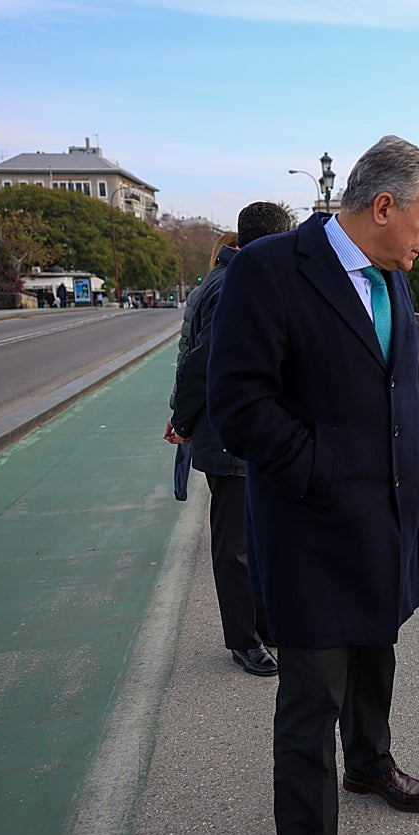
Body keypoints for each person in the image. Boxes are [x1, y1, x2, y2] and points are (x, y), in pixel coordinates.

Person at [208, 135, 419, 835]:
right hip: (310, 527)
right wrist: (320, 469)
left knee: (376, 653)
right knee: (311, 699)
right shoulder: (269, 269)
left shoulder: (392, 273)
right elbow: (239, 404)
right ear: (383, 207)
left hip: (385, 516)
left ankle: (370, 762)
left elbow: (400, 372)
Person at [163, 205, 293, 678]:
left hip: (236, 430)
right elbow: (201, 362)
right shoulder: (235, 285)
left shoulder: (233, 278)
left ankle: (262, 626)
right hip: (229, 433)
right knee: (236, 545)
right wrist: (182, 420)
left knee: (254, 540)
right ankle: (244, 640)